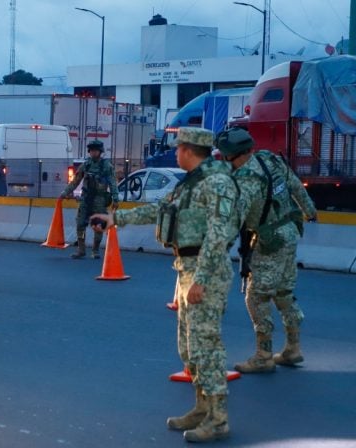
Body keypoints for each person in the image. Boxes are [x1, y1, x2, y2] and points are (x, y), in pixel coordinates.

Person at [91, 127, 240, 442]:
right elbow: (161, 211)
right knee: (189, 347)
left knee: (207, 347)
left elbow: (218, 234)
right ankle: (202, 407)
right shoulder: (191, 183)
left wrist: (201, 279)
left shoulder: (217, 183)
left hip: (205, 271)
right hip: (186, 268)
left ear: (188, 150)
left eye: (178, 148)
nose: (175, 153)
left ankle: (218, 419)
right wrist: (115, 219)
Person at [215, 128, 317, 373]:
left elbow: (232, 223)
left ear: (231, 155)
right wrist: (310, 210)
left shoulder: (244, 182)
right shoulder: (270, 159)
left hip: (270, 241)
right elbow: (295, 186)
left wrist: (216, 251)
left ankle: (264, 355)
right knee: (284, 292)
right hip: (290, 232)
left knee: (256, 297)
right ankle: (293, 348)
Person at [58, 140, 119, 259]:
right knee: (80, 224)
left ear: (100, 152)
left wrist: (115, 198)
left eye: (96, 151)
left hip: (99, 199)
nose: (93, 153)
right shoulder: (86, 165)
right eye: (91, 151)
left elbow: (112, 183)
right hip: (86, 198)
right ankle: (81, 249)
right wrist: (65, 193)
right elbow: (75, 182)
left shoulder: (106, 166)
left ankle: (95, 250)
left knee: (99, 225)